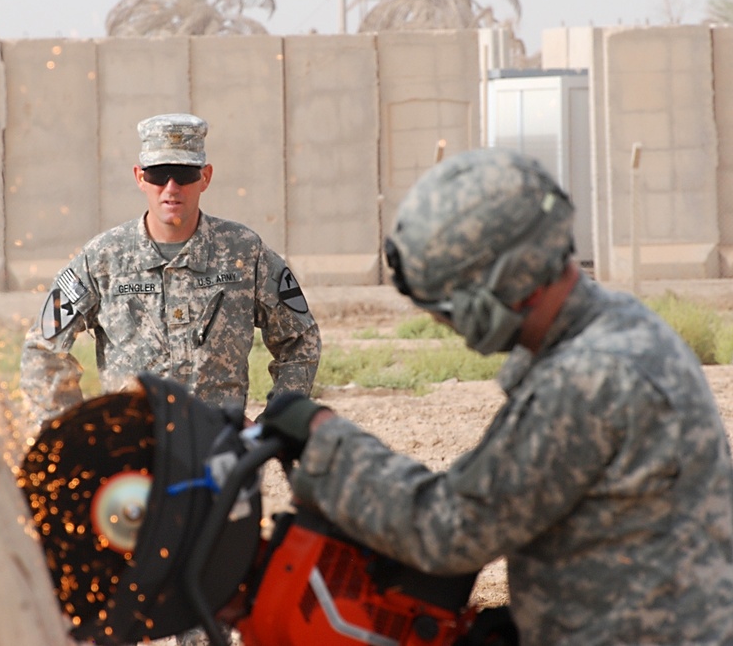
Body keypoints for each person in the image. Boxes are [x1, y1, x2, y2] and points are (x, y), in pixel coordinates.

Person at [258, 148, 733, 645]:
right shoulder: (620, 325)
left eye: (447, 305)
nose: (446, 323)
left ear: (508, 283)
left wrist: (325, 440)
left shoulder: (588, 379)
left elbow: (448, 529)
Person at [20, 113, 321, 431]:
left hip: (219, 453)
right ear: (139, 177)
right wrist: (74, 434)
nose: (171, 187)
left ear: (205, 177)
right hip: (134, 455)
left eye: (183, 174)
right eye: (159, 174)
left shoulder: (244, 252)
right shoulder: (102, 259)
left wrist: (271, 426)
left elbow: (300, 339)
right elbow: (42, 349)